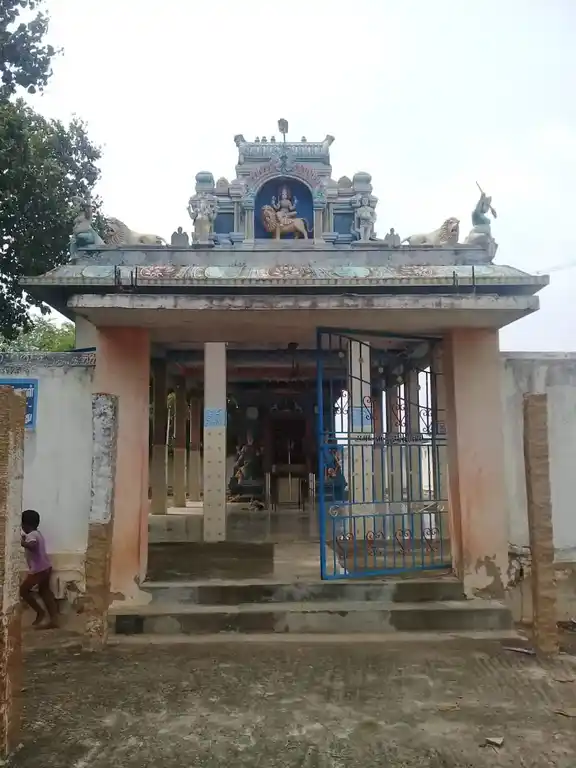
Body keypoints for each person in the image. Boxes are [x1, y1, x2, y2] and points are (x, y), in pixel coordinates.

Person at [20, 509, 58, 629]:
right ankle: (54, 619)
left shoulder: (31, 535)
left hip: (38, 570)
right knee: (45, 592)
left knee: (23, 591)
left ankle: (40, 612)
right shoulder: (37, 533)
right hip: (46, 567)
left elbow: (32, 545)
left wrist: (22, 542)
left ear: (25, 524)